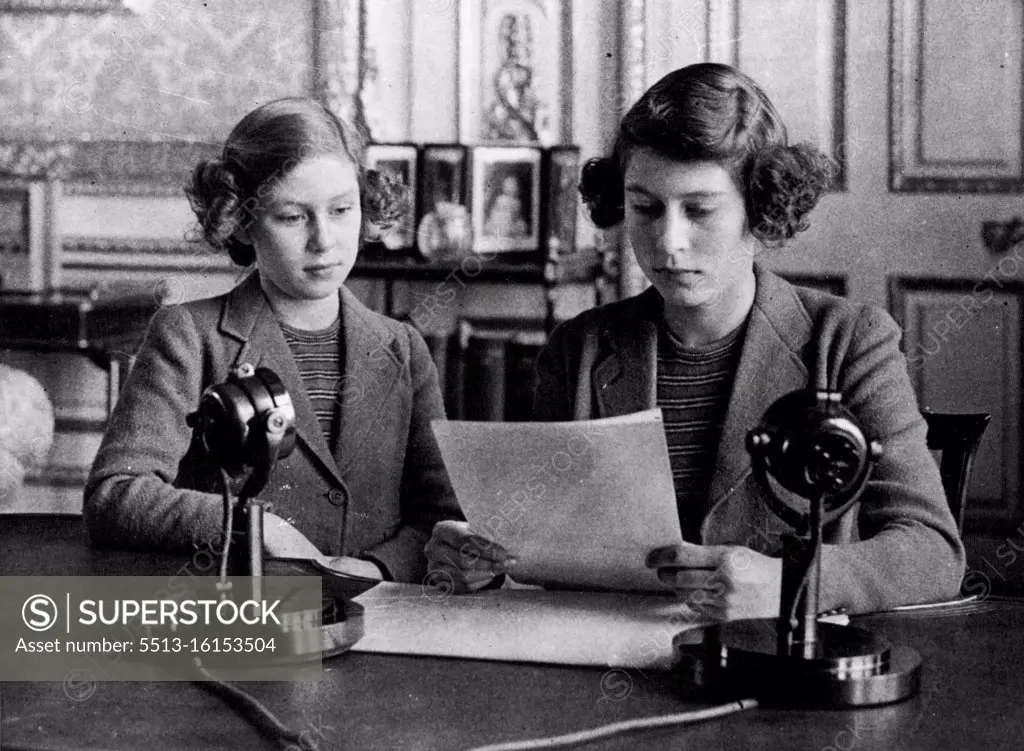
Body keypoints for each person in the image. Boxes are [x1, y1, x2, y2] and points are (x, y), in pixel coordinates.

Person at [426, 63, 964, 617]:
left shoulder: (851, 343)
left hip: (780, 668)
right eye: (645, 207)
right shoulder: (578, 350)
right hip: (606, 664)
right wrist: (480, 559)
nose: (668, 241)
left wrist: (790, 584)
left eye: (699, 210)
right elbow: (540, 545)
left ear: (762, 214)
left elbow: (931, 551)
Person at [85, 97, 461, 583]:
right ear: (240, 219)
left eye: (342, 210)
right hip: (237, 624)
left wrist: (373, 569)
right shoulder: (188, 336)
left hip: (378, 620)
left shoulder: (404, 348)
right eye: (292, 217)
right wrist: (250, 526)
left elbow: (441, 518)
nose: (323, 240)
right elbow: (115, 494)